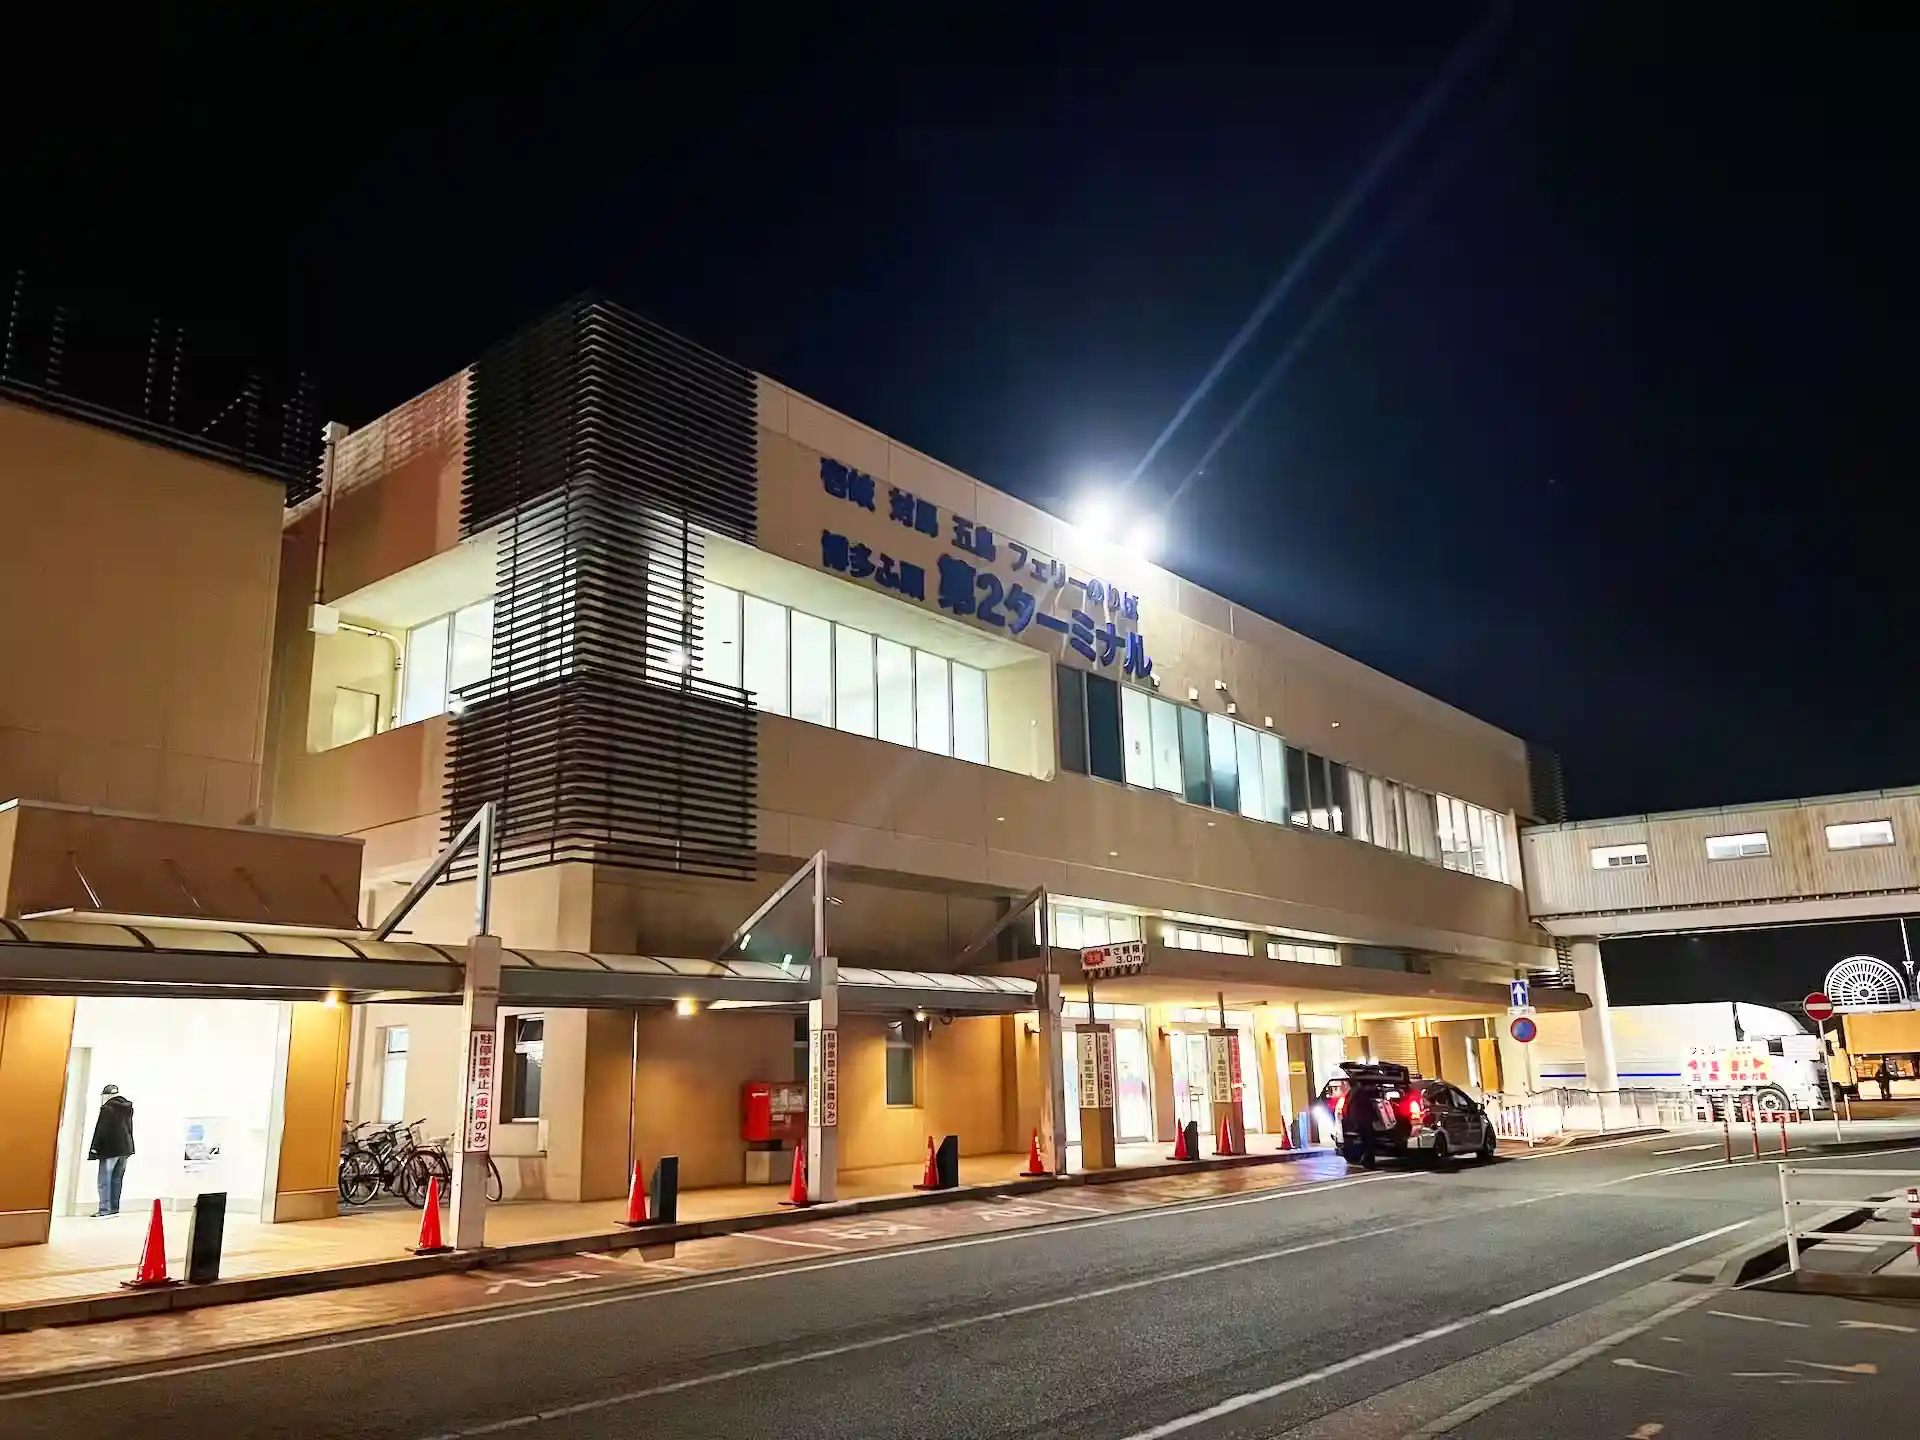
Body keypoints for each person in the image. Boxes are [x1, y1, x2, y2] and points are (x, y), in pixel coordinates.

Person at [87, 1084, 135, 1217]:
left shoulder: (107, 1108)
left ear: (106, 1095)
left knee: (104, 1180)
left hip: (110, 1149)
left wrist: (94, 1149)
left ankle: (104, 1209)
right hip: (125, 1149)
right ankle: (114, 1207)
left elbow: (101, 1130)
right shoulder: (127, 1108)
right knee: (117, 1179)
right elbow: (130, 1129)